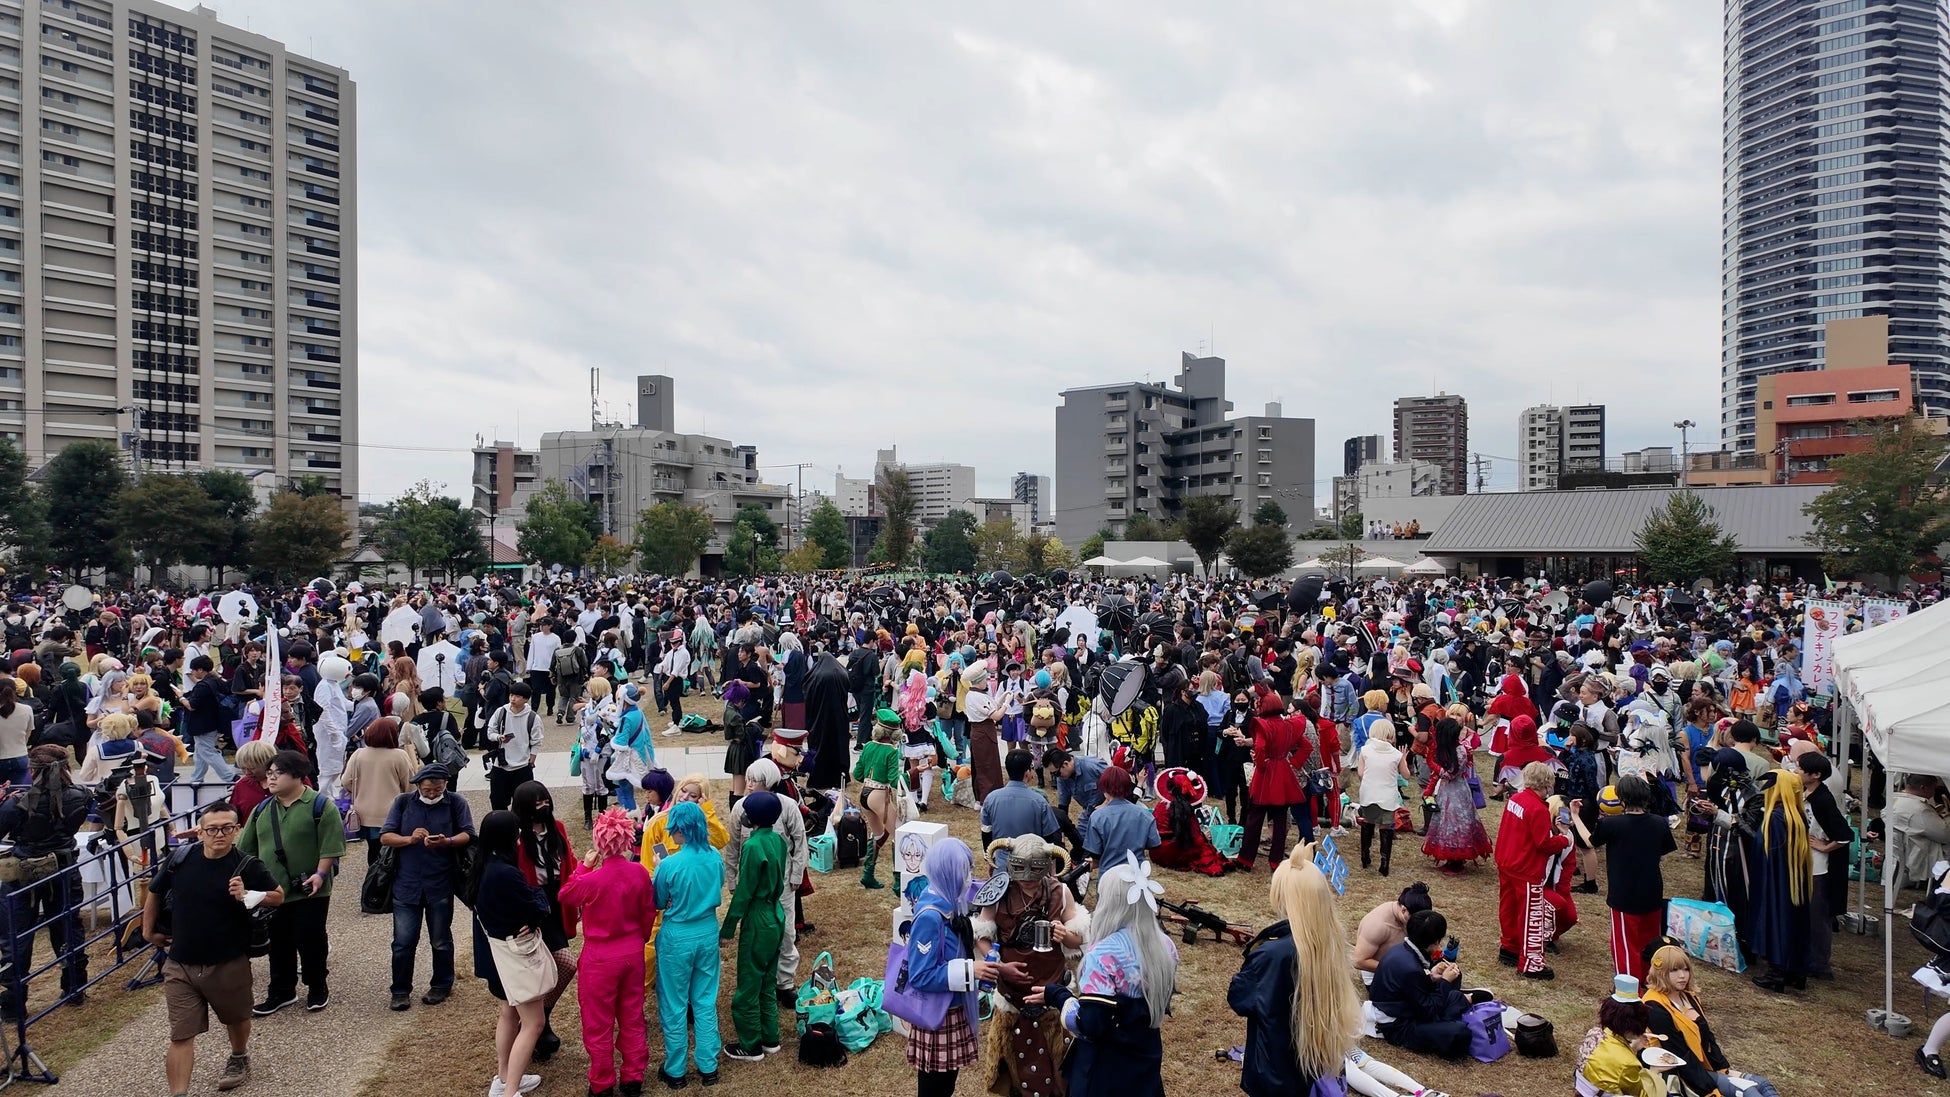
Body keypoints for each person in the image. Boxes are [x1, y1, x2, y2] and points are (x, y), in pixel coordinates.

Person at [143, 799, 283, 1097]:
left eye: (227, 828)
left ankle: (239, 1055)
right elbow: (155, 892)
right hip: (180, 963)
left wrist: (248, 894)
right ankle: (178, 1093)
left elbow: (278, 896)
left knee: (236, 1017)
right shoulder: (180, 859)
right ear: (200, 831)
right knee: (181, 1035)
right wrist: (147, 930)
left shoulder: (248, 865)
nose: (219, 834)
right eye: (212, 829)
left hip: (228, 961)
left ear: (237, 830)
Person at [1034, 852, 1177, 1097]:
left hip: (1103, 1070)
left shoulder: (1103, 955)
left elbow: (1091, 1024)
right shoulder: (1166, 946)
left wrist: (1059, 997)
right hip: (1145, 1058)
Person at [1229, 844, 1361, 1095]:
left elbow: (1240, 999)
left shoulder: (1272, 953)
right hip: (1316, 1061)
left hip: (1275, 1072)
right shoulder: (1330, 940)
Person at [903, 838, 1025, 1097]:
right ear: (947, 872)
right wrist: (972, 971)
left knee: (945, 1086)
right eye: (964, 870)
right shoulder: (930, 916)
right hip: (938, 1015)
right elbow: (920, 975)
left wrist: (998, 968)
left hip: (951, 1007)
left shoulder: (948, 903)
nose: (969, 877)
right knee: (935, 1089)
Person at [974, 831, 1088, 1097]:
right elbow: (981, 935)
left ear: (1047, 867)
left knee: (1058, 1074)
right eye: (1020, 870)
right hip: (1011, 999)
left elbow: (1078, 940)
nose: (1027, 880)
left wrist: (1065, 934)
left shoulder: (1060, 892)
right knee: (1015, 1076)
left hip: (1051, 998)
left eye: (1035, 872)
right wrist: (998, 964)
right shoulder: (999, 890)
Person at [238, 750, 346, 1016]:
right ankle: (282, 991)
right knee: (278, 942)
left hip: (310, 890)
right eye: (269, 773)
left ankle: (317, 986)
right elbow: (245, 850)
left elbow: (330, 846)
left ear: (298, 775)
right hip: (273, 892)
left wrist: (320, 875)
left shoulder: (321, 806)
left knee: (311, 940)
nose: (270, 779)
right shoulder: (262, 809)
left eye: (278, 773)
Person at [559, 807, 657, 1097]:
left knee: (598, 1022)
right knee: (631, 1015)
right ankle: (632, 1077)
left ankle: (602, 1083)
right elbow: (647, 911)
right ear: (628, 839)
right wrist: (637, 940)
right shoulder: (639, 872)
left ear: (599, 842)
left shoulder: (591, 881)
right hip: (631, 952)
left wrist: (584, 866)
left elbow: (566, 895)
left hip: (600, 958)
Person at [0, 744, 91, 1016]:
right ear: (66, 768)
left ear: (32, 770)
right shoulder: (81, 795)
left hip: (23, 874)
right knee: (68, 927)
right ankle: (74, 988)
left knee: (17, 936)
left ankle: (14, 1005)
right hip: (63, 869)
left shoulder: (17, 803)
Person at [379, 763, 474, 1011]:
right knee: (403, 942)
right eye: (428, 789)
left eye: (438, 789)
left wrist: (447, 841)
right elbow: (386, 836)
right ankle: (400, 990)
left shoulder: (455, 802)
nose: (433, 794)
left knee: (440, 939)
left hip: (440, 883)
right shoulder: (403, 803)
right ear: (418, 786)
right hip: (406, 884)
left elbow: (468, 834)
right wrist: (409, 839)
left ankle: (442, 984)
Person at [470, 810, 551, 1097]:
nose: (520, 839)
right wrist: (538, 898)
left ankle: (504, 1078)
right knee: (534, 1023)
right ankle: (510, 1091)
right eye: (517, 833)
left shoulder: (482, 866)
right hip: (515, 958)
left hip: (495, 956)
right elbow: (538, 904)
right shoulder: (505, 873)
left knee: (508, 1013)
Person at [1569, 773, 1675, 983]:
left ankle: (1629, 991)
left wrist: (1575, 816)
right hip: (1652, 891)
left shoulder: (1612, 824)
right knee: (1652, 943)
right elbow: (1661, 854)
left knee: (1625, 946)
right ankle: (1652, 983)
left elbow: (1590, 842)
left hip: (1623, 894)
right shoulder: (1659, 823)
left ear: (1621, 799)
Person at [1643, 945, 1783, 1097]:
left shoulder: (1688, 997)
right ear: (1661, 973)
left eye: (1686, 969)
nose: (1682, 976)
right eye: (1674, 970)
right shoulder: (1654, 1007)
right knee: (1748, 1091)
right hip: (1680, 1075)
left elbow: (1709, 1039)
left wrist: (1724, 1069)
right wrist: (1711, 1090)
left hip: (1704, 1069)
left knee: (1763, 1084)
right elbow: (1680, 1056)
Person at [653, 801, 724, 1087]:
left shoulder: (669, 864)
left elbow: (657, 902)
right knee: (705, 1001)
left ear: (682, 830)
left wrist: (659, 870)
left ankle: (676, 1070)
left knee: (674, 1003)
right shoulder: (715, 857)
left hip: (676, 937)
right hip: (707, 932)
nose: (671, 835)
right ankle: (709, 1066)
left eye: (674, 830)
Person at [512, 781, 580, 1061]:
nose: (544, 807)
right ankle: (536, 1024)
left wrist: (578, 896)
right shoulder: (516, 836)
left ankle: (540, 1019)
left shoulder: (558, 828)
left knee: (563, 965)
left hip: (556, 899)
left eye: (546, 801)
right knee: (558, 964)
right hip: (531, 904)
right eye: (537, 803)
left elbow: (570, 863)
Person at [719, 790, 787, 1064]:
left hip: (758, 917)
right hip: (776, 913)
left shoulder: (752, 846)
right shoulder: (778, 841)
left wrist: (728, 928)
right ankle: (771, 1038)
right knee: (768, 981)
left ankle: (751, 1046)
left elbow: (744, 892)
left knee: (748, 984)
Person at [1493, 760, 1574, 979]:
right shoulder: (1538, 808)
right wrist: (1564, 839)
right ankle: (1531, 963)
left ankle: (1509, 947)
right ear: (1547, 784)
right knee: (1531, 917)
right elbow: (1544, 845)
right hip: (1526, 868)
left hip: (1507, 861)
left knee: (1508, 908)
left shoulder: (1516, 799)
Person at [1368, 908, 1484, 1060]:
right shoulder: (1411, 968)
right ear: (1435, 942)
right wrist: (1444, 981)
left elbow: (1410, 990)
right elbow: (1428, 1011)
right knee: (1460, 1033)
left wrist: (1432, 978)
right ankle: (1458, 1008)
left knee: (1454, 994)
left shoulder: (1400, 950)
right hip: (1397, 1024)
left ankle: (1460, 1003)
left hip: (1404, 1006)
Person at [1745, 769, 1814, 992]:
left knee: (1776, 921)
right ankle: (1794, 971)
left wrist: (1742, 828)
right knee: (1793, 923)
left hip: (1775, 882)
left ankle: (1777, 971)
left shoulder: (1776, 818)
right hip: (1793, 880)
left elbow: (1763, 848)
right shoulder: (1796, 815)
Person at [1237, 687, 1303, 872]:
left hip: (1266, 774)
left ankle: (1246, 859)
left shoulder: (1262, 725)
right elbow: (1305, 746)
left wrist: (1260, 764)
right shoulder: (1289, 724)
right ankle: (1276, 861)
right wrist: (1293, 763)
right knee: (1280, 819)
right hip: (1282, 771)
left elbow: (1259, 748)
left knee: (1255, 818)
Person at [1797, 753, 1851, 979]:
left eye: (1801, 769)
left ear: (1815, 775)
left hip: (1820, 868)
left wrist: (1824, 846)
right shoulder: (1807, 794)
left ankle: (1819, 963)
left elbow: (1845, 835)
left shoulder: (1823, 800)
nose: (1797, 771)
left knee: (1818, 916)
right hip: (1807, 861)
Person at [341, 717, 415, 873]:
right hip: (391, 811)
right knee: (392, 849)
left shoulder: (358, 754)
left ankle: (374, 878)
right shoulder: (399, 755)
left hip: (364, 812)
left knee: (373, 849)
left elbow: (346, 781)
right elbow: (410, 786)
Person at [1421, 717, 1492, 874]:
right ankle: (1450, 857)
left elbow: (1450, 774)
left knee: (1456, 824)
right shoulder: (1446, 749)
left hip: (1457, 793)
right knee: (1445, 823)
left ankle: (1457, 860)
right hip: (1445, 791)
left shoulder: (1461, 751)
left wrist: (1432, 763)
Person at [979, 748, 1062, 874]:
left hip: (1001, 867)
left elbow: (986, 832)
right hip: (1032, 869)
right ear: (1027, 772)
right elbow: (1050, 838)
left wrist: (990, 858)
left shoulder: (991, 799)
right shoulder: (1039, 801)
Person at [852, 707, 905, 889]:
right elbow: (893, 780)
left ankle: (868, 874)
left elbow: (858, 774)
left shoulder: (867, 746)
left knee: (879, 834)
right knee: (898, 836)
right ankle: (898, 882)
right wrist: (911, 774)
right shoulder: (891, 751)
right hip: (879, 794)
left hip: (864, 793)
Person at [1081, 763, 1160, 883]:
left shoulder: (1097, 817)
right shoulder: (1144, 814)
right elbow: (1154, 844)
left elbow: (1095, 853)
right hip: (1137, 878)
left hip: (1109, 878)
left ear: (1104, 788)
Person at [1576, 976, 1653, 1097]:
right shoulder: (1628, 1063)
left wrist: (1632, 1048)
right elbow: (1640, 1094)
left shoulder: (1594, 1033)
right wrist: (1655, 1071)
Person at [1355, 718, 1410, 875]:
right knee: (1386, 827)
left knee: (1368, 822)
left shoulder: (1365, 750)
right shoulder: (1396, 754)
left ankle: (1365, 856)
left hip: (1369, 793)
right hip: (1387, 796)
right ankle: (1384, 864)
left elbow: (1360, 773)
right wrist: (1404, 760)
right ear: (1391, 735)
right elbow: (1406, 775)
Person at [1351, 882, 1433, 986]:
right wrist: (1399, 970)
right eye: (1415, 920)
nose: (1418, 924)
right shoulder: (1377, 925)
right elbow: (1359, 961)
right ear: (1404, 910)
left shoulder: (1406, 915)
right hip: (1378, 976)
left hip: (1402, 963)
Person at [485, 683, 546, 812]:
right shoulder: (501, 712)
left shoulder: (533, 717)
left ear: (525, 699)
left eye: (517, 696)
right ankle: (503, 826)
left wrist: (532, 759)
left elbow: (536, 741)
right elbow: (490, 731)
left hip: (522, 766)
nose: (513, 699)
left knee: (524, 803)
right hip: (500, 764)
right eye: (511, 695)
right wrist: (498, 737)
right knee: (497, 800)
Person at [1885, 771, 1950, 889]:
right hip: (1918, 855)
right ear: (1923, 788)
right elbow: (1946, 834)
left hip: (1903, 851)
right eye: (1933, 789)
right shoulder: (1919, 809)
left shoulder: (1893, 801)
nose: (1934, 793)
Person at [181, 655, 237, 783]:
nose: (193, 673)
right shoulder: (216, 681)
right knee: (200, 752)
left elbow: (192, 705)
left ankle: (229, 777)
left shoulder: (202, 686)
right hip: (213, 721)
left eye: (194, 670)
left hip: (202, 724)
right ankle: (196, 778)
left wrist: (181, 698)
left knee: (207, 751)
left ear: (200, 670)